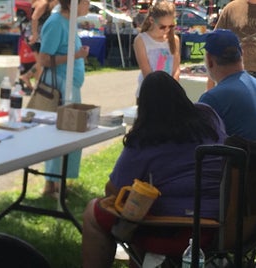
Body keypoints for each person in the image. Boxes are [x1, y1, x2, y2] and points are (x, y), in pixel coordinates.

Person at [81, 71, 228, 268]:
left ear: (144, 108)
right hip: (222, 226)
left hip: (169, 229)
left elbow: (114, 191)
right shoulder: (209, 116)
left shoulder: (144, 138)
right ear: (181, 95)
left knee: (94, 211)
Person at [39, 0, 91, 196]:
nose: (88, 6)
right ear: (73, 3)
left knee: (71, 133)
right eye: (85, 2)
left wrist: (77, 56)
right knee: (59, 134)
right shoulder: (55, 22)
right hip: (60, 87)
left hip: (69, 86)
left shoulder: (68, 21)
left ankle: (61, 182)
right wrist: (75, 56)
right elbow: (44, 59)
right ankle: (52, 184)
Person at [198, 29, 256, 142]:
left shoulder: (212, 98)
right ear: (242, 54)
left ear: (210, 60)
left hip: (235, 158)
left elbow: (197, 142)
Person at [133, 1, 181, 98]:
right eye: (162, 27)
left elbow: (176, 69)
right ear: (151, 20)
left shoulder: (174, 40)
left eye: (171, 26)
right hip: (149, 94)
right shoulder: (141, 40)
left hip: (170, 94)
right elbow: (146, 71)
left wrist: (172, 88)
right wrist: (160, 92)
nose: (167, 30)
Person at [20, 0, 58, 91]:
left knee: (40, 62)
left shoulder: (45, 4)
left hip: (37, 35)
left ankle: (35, 82)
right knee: (42, 62)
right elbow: (34, 18)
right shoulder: (44, 4)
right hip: (36, 36)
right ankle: (27, 77)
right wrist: (35, 34)